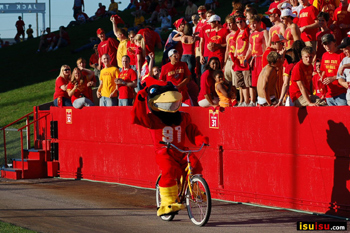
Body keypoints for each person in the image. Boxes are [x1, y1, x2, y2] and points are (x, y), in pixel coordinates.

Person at [245, 15, 269, 106]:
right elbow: (250, 49)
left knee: (262, 81)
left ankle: (263, 100)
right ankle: (255, 100)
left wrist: (266, 58)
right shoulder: (252, 34)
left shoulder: (264, 32)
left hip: (261, 58)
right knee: (254, 82)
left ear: (259, 23)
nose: (253, 25)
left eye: (255, 23)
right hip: (254, 59)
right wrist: (246, 58)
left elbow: (267, 46)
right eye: (251, 24)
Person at [320, 34, 347, 106]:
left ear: (334, 42)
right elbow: (324, 71)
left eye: (329, 43)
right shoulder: (324, 55)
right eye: (324, 44)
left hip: (341, 92)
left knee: (343, 116)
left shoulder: (342, 54)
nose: (327, 46)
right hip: (329, 93)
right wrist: (322, 80)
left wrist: (333, 78)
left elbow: (346, 72)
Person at [233, 14, 251, 107]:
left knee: (247, 82)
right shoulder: (237, 33)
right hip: (238, 60)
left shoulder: (248, 31)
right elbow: (236, 47)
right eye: (237, 22)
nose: (239, 24)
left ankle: (248, 101)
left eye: (241, 21)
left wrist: (247, 58)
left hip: (245, 59)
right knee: (241, 83)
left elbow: (250, 46)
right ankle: (243, 101)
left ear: (244, 22)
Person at [224, 15, 238, 89]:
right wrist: (225, 62)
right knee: (228, 77)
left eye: (230, 23)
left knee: (235, 79)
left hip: (236, 58)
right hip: (229, 58)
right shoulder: (228, 36)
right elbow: (227, 49)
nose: (228, 25)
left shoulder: (239, 33)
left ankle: (238, 97)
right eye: (227, 23)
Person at [337, 37, 350, 106]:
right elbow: (340, 77)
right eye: (343, 49)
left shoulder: (344, 64)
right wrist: (343, 83)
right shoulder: (344, 60)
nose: (344, 51)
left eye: (345, 49)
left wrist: (344, 66)